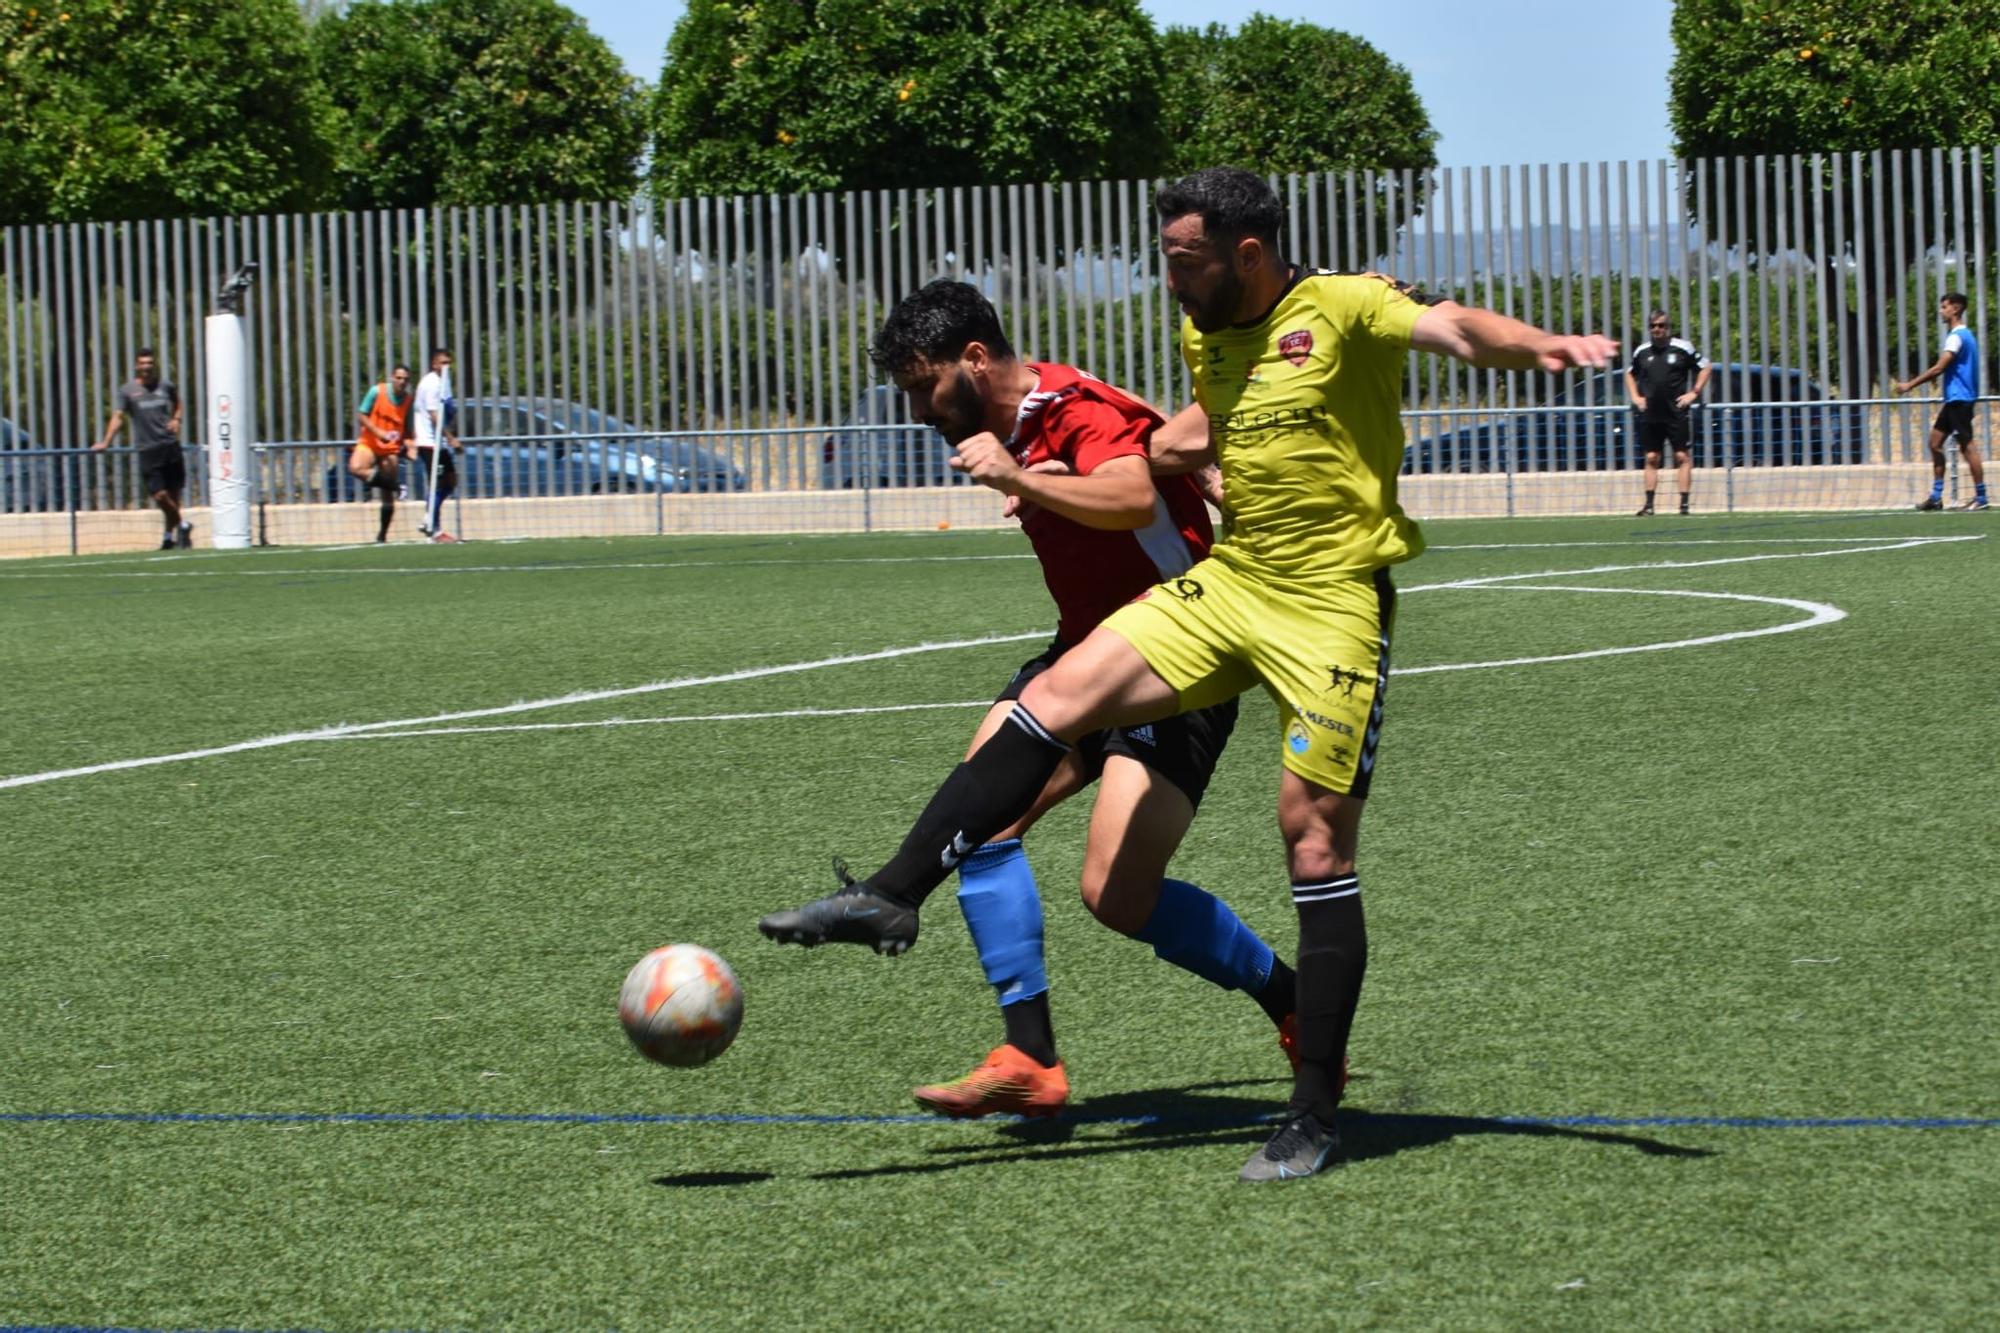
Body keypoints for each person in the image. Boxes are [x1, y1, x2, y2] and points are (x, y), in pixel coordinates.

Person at [758, 167, 1615, 1182]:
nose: (1165, 277)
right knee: (1044, 704)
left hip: (1333, 601)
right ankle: (899, 905)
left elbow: (1459, 331)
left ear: (1243, 252)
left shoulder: (1340, 303)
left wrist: (1544, 345)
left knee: (1301, 836)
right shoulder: (1203, 332)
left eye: (1180, 257)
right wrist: (1181, 448)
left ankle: (1311, 1107)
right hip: (1233, 584)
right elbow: (1209, 420)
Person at [765, 279, 1300, 1119]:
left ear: (976, 360)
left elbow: (1129, 493)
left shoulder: (1072, 406)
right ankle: (1028, 1055)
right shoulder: (1023, 423)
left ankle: (1293, 1002)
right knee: (978, 817)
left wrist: (1025, 477)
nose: (916, 411)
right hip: (1086, 657)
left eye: (924, 386)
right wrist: (1036, 477)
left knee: (1116, 897)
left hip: (1180, 662)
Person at [1898, 292, 1988, 512]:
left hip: (1960, 399)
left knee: (1967, 446)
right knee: (1934, 443)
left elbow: (1940, 367)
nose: (1941, 311)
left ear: (1956, 309)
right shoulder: (1965, 335)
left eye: (1944, 307)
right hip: (1954, 400)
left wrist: (1910, 385)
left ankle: (1982, 497)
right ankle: (1936, 497)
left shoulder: (1957, 336)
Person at [93, 348, 190, 550]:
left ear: (154, 365)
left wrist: (176, 419)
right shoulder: (128, 391)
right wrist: (106, 442)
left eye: (150, 363)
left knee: (173, 496)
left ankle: (167, 538)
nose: (146, 367)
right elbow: (118, 417)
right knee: (160, 496)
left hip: (170, 445)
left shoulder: (166, 386)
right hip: (148, 450)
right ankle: (183, 524)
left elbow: (178, 403)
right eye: (143, 363)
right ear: (137, 366)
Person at [1626, 310, 1710, 516]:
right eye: (1653, 326)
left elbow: (1706, 367)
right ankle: (1649, 506)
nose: (1657, 329)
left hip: (1676, 413)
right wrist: (1636, 397)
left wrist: (1694, 393)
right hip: (1650, 414)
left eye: (1661, 325)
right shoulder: (1642, 352)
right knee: (1652, 457)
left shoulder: (1683, 348)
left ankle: (1683, 505)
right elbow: (1629, 374)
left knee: (1682, 456)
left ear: (1668, 327)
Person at [350, 364, 413, 543]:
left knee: (387, 496)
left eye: (406, 379)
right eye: (399, 378)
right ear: (392, 377)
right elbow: (362, 415)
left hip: (390, 448)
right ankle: (398, 486)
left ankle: (382, 535)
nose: (402, 382)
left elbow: (408, 429)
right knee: (356, 467)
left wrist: (410, 444)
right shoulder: (377, 391)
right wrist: (378, 432)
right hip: (370, 442)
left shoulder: (408, 400)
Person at [411, 346, 461, 542]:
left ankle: (428, 518)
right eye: (443, 363)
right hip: (428, 442)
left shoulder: (444, 381)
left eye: (449, 363)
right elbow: (434, 416)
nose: (446, 366)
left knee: (450, 481)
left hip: (437, 442)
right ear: (434, 364)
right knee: (438, 482)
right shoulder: (431, 383)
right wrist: (451, 438)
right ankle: (434, 529)